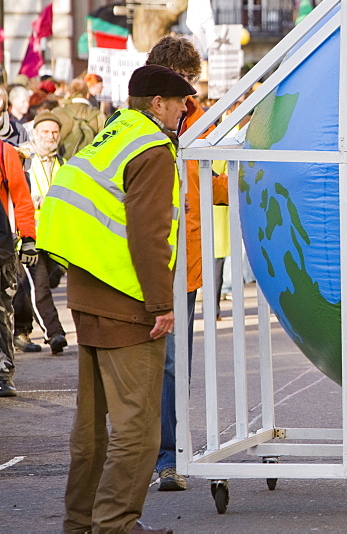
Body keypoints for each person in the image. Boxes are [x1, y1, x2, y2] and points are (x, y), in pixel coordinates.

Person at [38, 64, 192, 532]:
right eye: (180, 100)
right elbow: (149, 234)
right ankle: (116, 524)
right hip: (128, 302)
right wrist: (161, 303)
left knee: (90, 429)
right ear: (159, 104)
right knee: (138, 432)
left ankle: (80, 522)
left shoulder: (114, 133)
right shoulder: (153, 148)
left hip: (88, 292)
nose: (187, 108)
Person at [144, 34, 228, 493]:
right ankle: (159, 456)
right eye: (187, 84)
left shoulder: (201, 122)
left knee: (176, 366)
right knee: (151, 366)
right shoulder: (134, 126)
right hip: (144, 265)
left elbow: (208, 183)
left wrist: (242, 182)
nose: (193, 93)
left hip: (186, 267)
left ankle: (170, 455)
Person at [11, 111, 68, 355]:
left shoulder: (62, 162)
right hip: (28, 235)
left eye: (54, 132)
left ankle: (19, 330)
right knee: (38, 284)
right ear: (35, 133)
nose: (50, 136)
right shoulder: (21, 157)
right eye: (45, 131)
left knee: (32, 285)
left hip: (54, 235)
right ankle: (54, 333)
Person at [0, 129, 39, 395]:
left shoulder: (6, 153)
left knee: (2, 310)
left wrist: (28, 238)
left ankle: (3, 373)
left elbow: (22, 199)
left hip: (1, 248)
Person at [50, 78, 104, 159]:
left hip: (62, 165)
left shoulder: (57, 113)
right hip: (88, 165)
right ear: (87, 95)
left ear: (68, 93)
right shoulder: (98, 115)